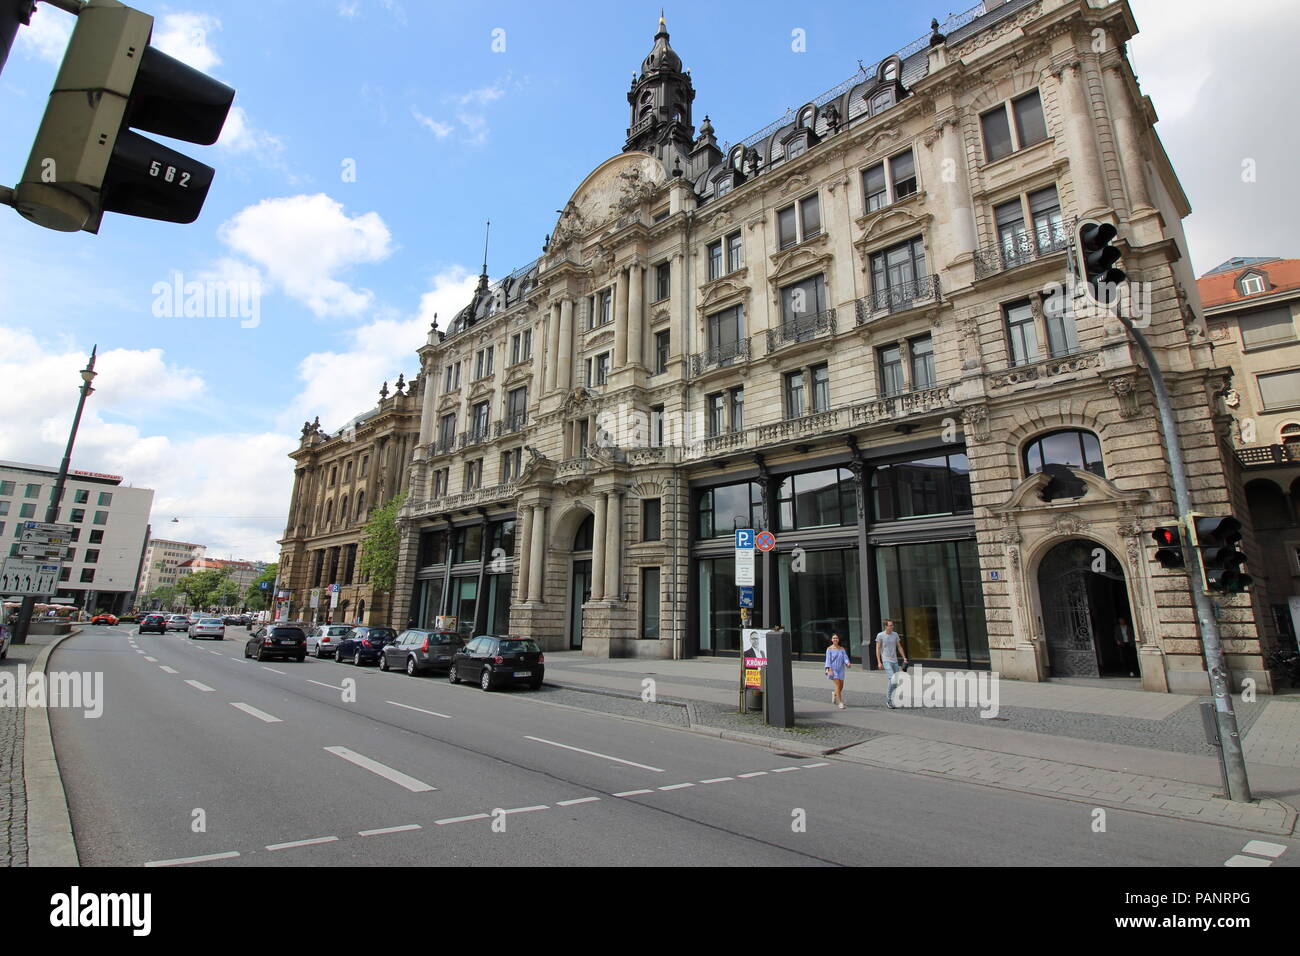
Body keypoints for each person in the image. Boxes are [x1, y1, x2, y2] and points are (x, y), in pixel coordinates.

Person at [875, 619, 908, 709]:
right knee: (892, 679)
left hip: (895, 661)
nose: (892, 626)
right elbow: (877, 648)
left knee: (895, 682)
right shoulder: (880, 635)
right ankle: (889, 700)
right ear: (885, 626)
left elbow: (899, 647)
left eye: (892, 625)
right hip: (886, 660)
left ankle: (892, 699)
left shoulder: (895, 634)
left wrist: (904, 657)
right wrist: (879, 662)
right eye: (890, 625)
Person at [824, 633, 850, 709]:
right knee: (838, 685)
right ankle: (840, 702)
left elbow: (845, 657)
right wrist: (830, 669)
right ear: (831, 640)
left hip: (841, 669)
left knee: (841, 686)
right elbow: (828, 660)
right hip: (833, 669)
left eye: (837, 638)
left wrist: (847, 663)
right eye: (834, 638)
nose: (835, 639)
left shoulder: (842, 649)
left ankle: (834, 694)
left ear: (839, 639)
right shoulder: (829, 649)